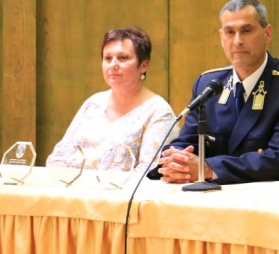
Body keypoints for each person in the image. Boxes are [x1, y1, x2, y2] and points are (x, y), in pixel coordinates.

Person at [151, 0, 279, 184]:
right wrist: (177, 162)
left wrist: (207, 168)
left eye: (247, 31)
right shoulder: (208, 84)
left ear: (267, 34)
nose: (237, 41)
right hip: (221, 194)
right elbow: (188, 141)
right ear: (221, 37)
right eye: (230, 32)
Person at [46, 27, 179, 173]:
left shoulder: (159, 112)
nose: (113, 64)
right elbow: (59, 155)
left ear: (143, 65)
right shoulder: (93, 103)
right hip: (71, 185)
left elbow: (148, 172)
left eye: (123, 58)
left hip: (122, 188)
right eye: (108, 58)